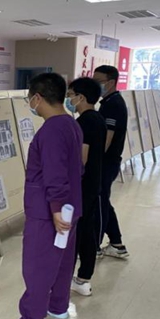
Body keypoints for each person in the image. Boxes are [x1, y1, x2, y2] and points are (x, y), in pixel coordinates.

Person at [1, 73, 83, 319]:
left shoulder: (50, 130)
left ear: (37, 97)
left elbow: (55, 173)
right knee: (61, 261)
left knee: (38, 265)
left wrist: (56, 209)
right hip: (69, 207)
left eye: (29, 99)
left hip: (48, 212)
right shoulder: (70, 124)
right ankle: (57, 306)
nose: (30, 104)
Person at [66, 78, 107, 296]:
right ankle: (83, 278)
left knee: (78, 232)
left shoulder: (85, 122)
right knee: (87, 231)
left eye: (70, 94)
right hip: (93, 184)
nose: (68, 99)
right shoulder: (97, 118)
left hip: (83, 186)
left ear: (80, 97)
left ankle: (73, 278)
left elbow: (81, 158)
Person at [93, 65, 129, 258]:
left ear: (111, 82)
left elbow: (106, 139)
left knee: (99, 203)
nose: (95, 84)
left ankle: (95, 246)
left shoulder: (113, 104)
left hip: (106, 163)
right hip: (107, 162)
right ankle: (116, 243)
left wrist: (91, 163)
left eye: (98, 81)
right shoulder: (108, 102)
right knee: (103, 201)